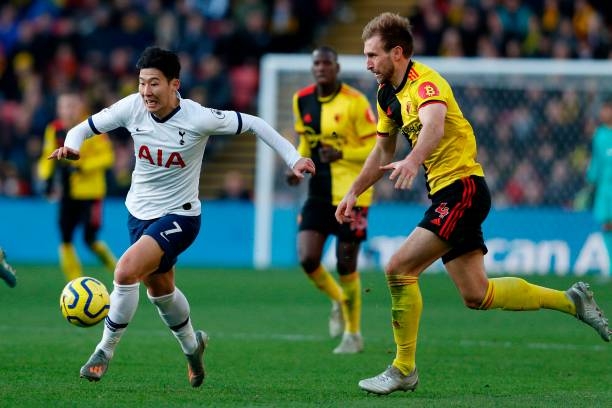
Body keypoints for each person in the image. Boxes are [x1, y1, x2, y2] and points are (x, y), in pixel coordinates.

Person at [335, 12, 611, 395]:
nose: (366, 63)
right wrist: (354, 190)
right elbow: (382, 148)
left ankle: (403, 369)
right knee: (476, 295)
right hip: (450, 192)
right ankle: (571, 301)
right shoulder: (387, 96)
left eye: (372, 55)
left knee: (399, 268)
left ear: (397, 52)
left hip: (461, 189)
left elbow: (433, 125)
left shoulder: (426, 84)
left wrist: (414, 160)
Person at [48, 46, 315, 387]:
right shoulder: (132, 107)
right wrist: (73, 145)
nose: (146, 91)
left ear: (175, 84)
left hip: (181, 216)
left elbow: (254, 123)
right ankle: (193, 347)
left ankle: (104, 351)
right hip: (138, 214)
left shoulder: (197, 117)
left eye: (155, 83)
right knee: (160, 292)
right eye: (143, 82)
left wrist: (293, 158)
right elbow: (83, 128)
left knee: (125, 270)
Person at [287, 45, 377, 354]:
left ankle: (353, 334)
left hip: (354, 194)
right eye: (316, 63)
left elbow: (378, 148)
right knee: (307, 258)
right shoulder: (302, 100)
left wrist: (343, 153)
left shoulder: (355, 102)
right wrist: (296, 165)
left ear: (337, 67)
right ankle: (340, 300)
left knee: (345, 263)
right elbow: (305, 140)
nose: (321, 68)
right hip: (318, 192)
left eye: (327, 63)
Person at [38, 90, 117, 282]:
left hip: (91, 193)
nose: (68, 111)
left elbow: (108, 157)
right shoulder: (54, 129)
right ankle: (75, 284)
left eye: (72, 106)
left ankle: (120, 272)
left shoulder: (92, 127)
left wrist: (83, 166)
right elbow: (48, 156)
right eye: (64, 106)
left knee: (90, 240)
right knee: (65, 239)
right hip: (67, 193)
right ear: (58, 109)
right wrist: (46, 178)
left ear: (80, 107)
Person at [586, 98, 612, 274]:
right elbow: (596, 163)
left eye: (607, 109)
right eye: (603, 109)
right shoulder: (600, 135)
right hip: (606, 188)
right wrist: (591, 179)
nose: (604, 113)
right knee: (607, 225)